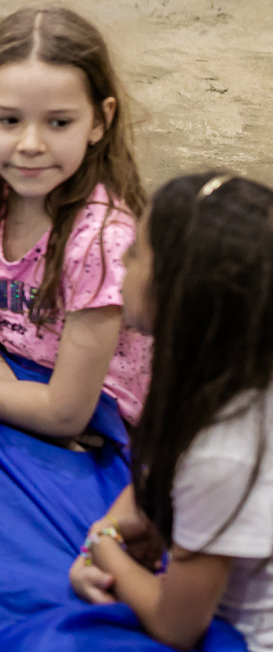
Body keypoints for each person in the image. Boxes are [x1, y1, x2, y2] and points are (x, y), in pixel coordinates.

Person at [0, 6, 149, 438]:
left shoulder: (101, 240)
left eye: (59, 123)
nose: (30, 145)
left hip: (105, 425)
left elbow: (67, 416)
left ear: (100, 121)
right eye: (8, 120)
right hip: (18, 382)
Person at [71, 173, 273, 652]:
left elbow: (177, 626)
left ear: (181, 293)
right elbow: (151, 475)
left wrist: (102, 547)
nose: (122, 257)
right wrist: (113, 529)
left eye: (138, 251)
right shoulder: (226, 365)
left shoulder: (225, 453)